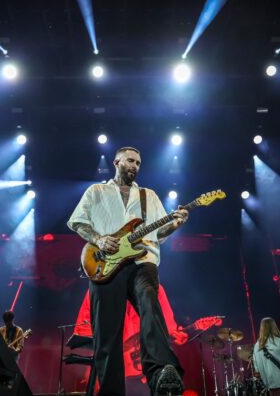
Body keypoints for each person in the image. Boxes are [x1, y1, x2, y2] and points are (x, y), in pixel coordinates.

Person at [68, 146, 189, 396]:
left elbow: (159, 233)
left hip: (142, 261)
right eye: (130, 161)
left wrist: (174, 225)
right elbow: (78, 222)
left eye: (138, 163)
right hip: (104, 264)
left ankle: (161, 373)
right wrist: (99, 240)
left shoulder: (149, 196)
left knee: (149, 302)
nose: (135, 166)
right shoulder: (97, 191)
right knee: (106, 334)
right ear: (116, 162)